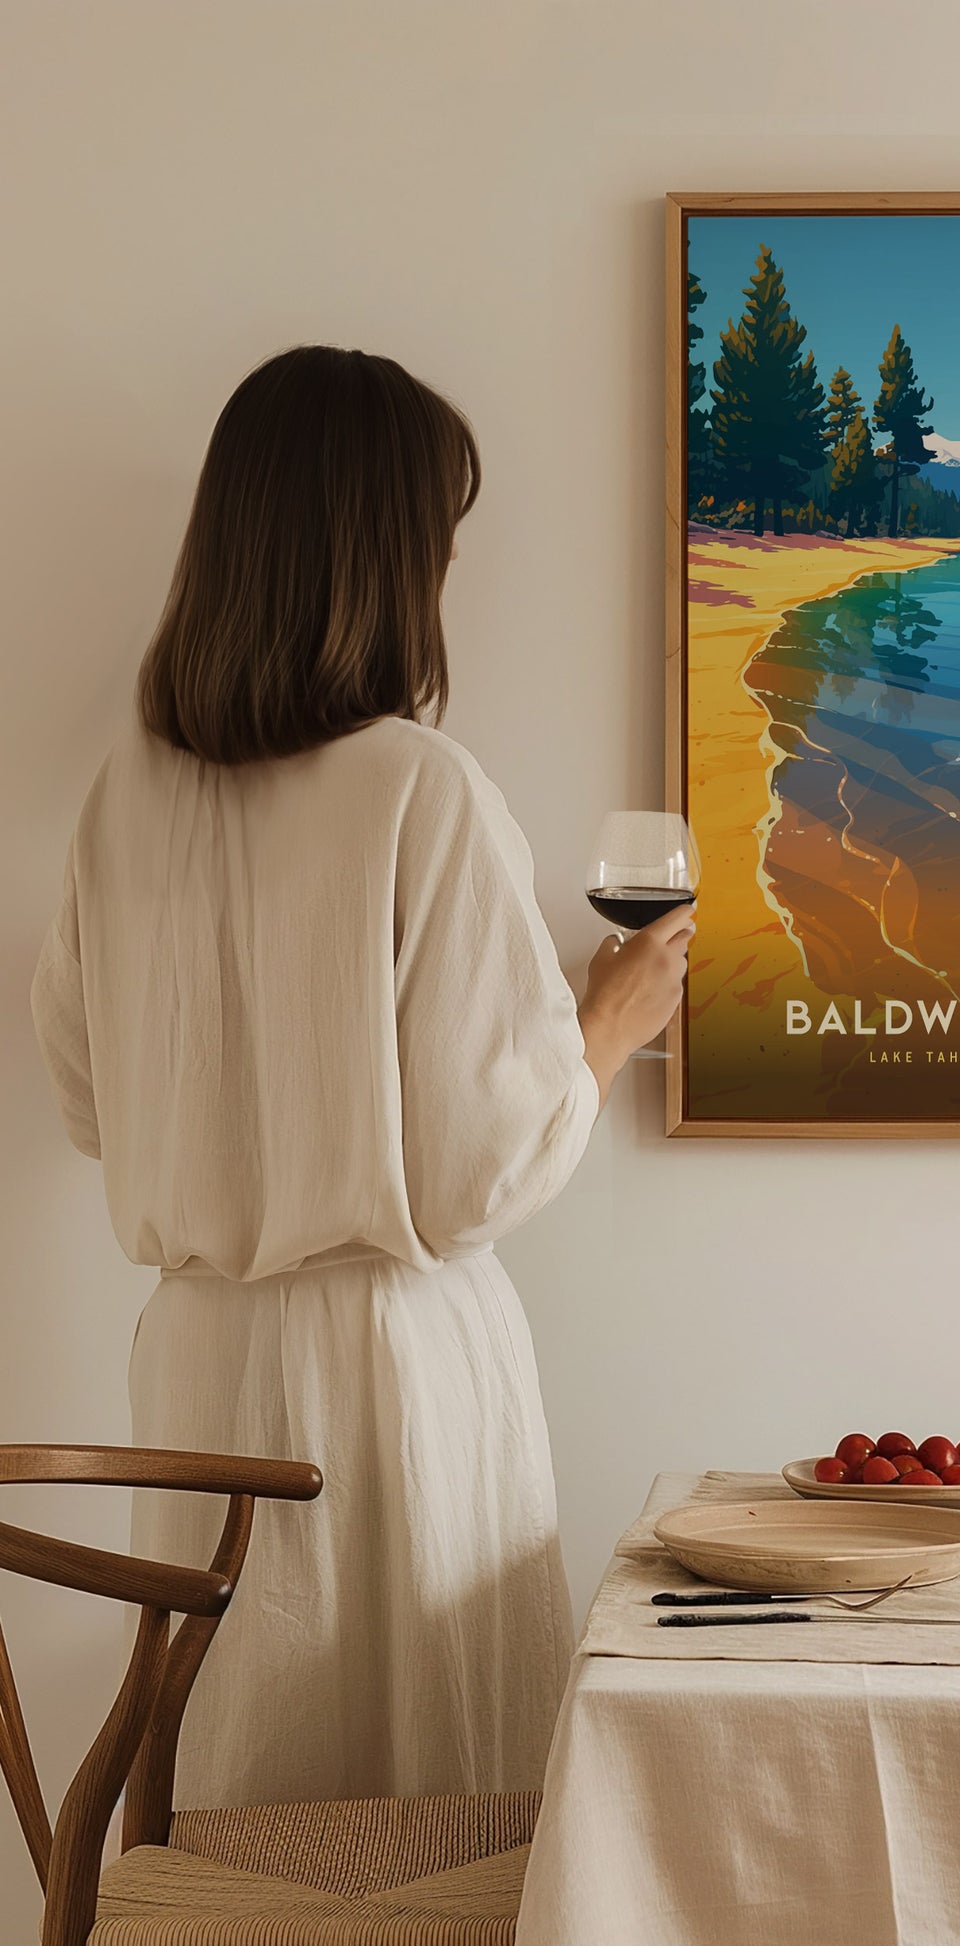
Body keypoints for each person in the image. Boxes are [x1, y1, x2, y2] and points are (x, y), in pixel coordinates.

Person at [29, 345, 690, 1806]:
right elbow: (474, 1172)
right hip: (390, 1374)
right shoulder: (417, 786)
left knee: (241, 1792)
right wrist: (606, 1020)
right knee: (424, 1812)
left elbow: (87, 1100)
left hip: (198, 1362)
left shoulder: (122, 797)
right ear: (387, 556)